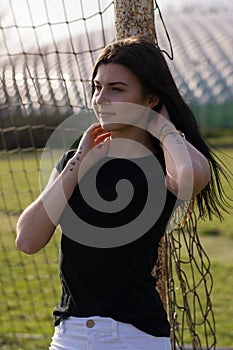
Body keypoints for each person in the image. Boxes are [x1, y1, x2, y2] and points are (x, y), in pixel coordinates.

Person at [16, 35, 230, 350]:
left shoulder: (167, 162)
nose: (101, 99)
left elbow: (187, 180)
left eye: (116, 89)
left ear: (150, 99)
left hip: (132, 336)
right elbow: (27, 240)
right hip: (69, 335)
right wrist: (78, 161)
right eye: (97, 87)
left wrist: (162, 127)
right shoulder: (76, 162)